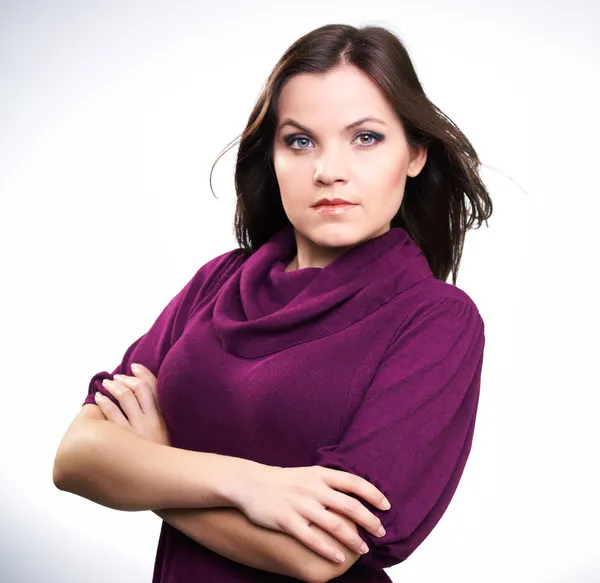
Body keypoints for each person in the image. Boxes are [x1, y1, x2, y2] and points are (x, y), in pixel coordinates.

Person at [53, 22, 492, 583]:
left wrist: (154, 470)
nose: (328, 170)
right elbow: (77, 456)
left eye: (366, 138)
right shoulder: (218, 284)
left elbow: (322, 555)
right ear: (274, 157)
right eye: (300, 140)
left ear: (414, 154)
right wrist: (246, 484)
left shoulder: (435, 319)